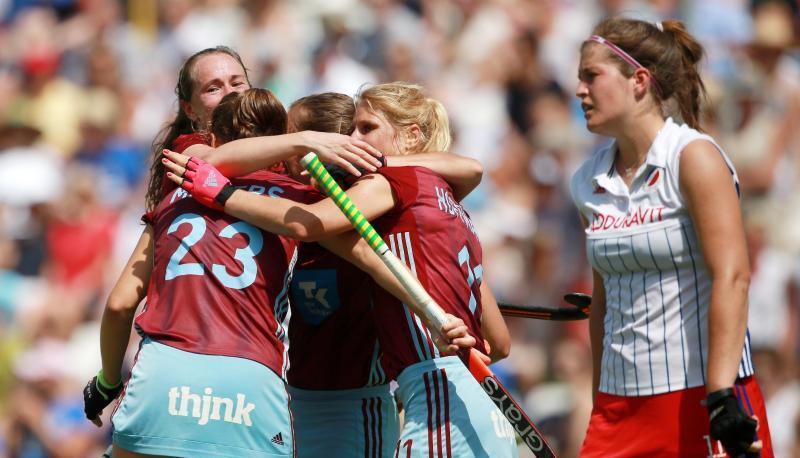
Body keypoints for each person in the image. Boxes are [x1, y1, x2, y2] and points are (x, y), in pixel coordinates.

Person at [164, 82, 517, 457]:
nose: (285, 150)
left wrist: (223, 195)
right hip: (438, 395)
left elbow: (310, 223)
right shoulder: (435, 198)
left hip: (421, 401)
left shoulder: (388, 188)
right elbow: (497, 342)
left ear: (412, 136)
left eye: (366, 129)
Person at [569, 17, 774, 457]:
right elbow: (602, 302)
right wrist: (598, 402)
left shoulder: (694, 157)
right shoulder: (586, 180)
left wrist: (721, 395)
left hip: (706, 399)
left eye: (591, 76)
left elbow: (733, 275)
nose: (579, 90)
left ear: (638, 80)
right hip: (618, 408)